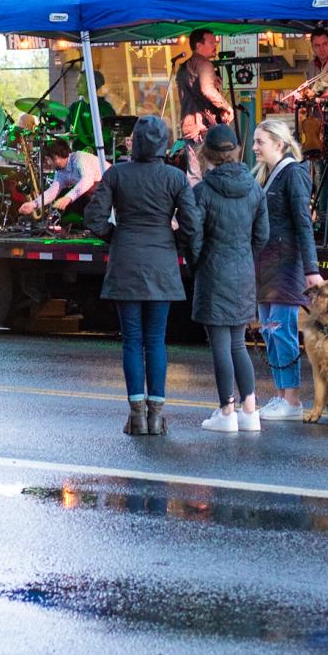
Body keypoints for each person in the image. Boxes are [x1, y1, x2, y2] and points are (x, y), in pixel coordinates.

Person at [84, 115, 201, 435]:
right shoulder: (174, 179)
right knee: (156, 341)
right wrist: (172, 243)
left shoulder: (117, 175)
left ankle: (136, 415)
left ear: (135, 141)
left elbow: (93, 218)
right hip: (162, 265)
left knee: (132, 342)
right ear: (164, 143)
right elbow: (192, 225)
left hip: (125, 263)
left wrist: (115, 236)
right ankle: (156, 415)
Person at [191, 125, 270, 434]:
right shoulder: (254, 188)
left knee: (220, 346)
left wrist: (198, 262)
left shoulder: (202, 191)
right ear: (236, 151)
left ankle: (227, 412)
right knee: (238, 343)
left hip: (213, 271)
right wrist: (243, 257)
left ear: (206, 155)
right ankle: (250, 411)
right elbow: (261, 236)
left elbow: (194, 237)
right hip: (243, 271)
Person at [252, 119, 325, 420]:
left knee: (281, 331)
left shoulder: (293, 173)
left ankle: (292, 401)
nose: (255, 147)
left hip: (286, 264)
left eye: (260, 142)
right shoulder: (270, 174)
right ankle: (282, 395)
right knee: (270, 331)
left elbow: (303, 223)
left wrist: (311, 268)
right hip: (267, 264)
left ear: (279, 144)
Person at [178, 29, 234, 183]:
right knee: (213, 171)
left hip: (190, 127)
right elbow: (207, 90)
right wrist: (227, 107)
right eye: (211, 42)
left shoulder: (184, 68)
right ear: (199, 45)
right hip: (205, 128)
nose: (215, 45)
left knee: (194, 174)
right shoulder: (205, 64)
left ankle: (195, 205)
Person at [18, 137, 103, 217]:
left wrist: (68, 197)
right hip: (100, 194)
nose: (48, 163)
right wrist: (33, 204)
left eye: (47, 159)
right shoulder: (61, 172)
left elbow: (87, 180)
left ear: (56, 157)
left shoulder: (79, 158)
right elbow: (53, 191)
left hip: (113, 188)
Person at [284, 30, 328, 103]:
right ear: (312, 47)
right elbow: (308, 89)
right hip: (315, 112)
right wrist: (305, 93)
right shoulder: (310, 66)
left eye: (325, 44)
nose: (322, 49)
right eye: (317, 45)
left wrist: (317, 94)